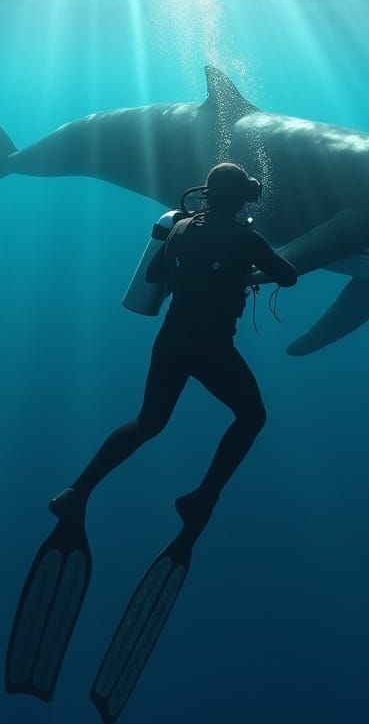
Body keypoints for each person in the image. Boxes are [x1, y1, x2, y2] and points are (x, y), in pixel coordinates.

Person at [49, 162, 298, 536]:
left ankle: (76, 492)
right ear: (240, 198)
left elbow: (154, 275)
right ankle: (202, 498)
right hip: (211, 346)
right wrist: (243, 271)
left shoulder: (180, 228)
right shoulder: (246, 240)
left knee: (147, 422)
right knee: (252, 417)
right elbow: (288, 276)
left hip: (170, 340)